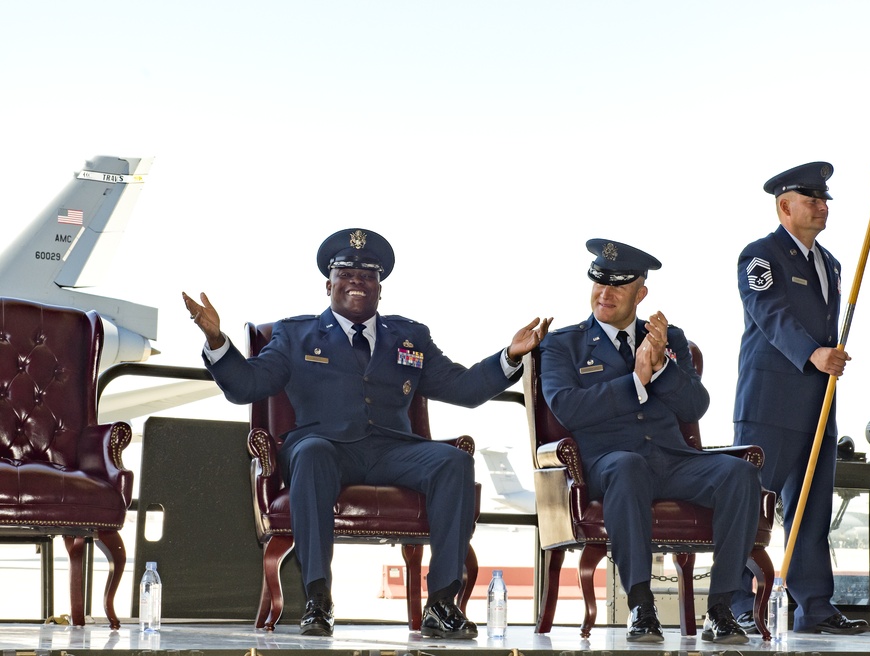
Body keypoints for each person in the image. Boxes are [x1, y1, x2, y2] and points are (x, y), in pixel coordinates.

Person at [182, 228, 550, 639]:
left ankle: (442, 602)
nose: (357, 280)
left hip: (393, 449)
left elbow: (462, 388)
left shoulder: (411, 337)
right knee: (312, 453)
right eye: (345, 272)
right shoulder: (294, 334)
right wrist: (217, 340)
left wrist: (510, 357)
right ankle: (318, 600)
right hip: (327, 447)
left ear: (380, 288)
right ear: (328, 284)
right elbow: (247, 387)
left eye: (368, 275)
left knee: (454, 461)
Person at [538, 238, 762, 644]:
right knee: (628, 466)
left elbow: (695, 406)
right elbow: (568, 408)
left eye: (618, 286)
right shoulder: (563, 344)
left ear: (640, 293)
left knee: (740, 474)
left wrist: (660, 368)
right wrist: (636, 381)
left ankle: (721, 609)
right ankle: (641, 605)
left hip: (673, 461)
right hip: (610, 463)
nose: (604, 294)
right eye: (598, 284)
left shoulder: (667, 338)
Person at [731, 162, 869, 635]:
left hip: (817, 408)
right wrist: (814, 354)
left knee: (813, 513)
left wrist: (823, 361)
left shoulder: (829, 264)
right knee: (749, 510)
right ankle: (734, 606)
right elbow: (770, 315)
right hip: (768, 408)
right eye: (812, 200)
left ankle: (814, 608)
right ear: (784, 206)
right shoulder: (760, 258)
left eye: (824, 199)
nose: (822, 207)